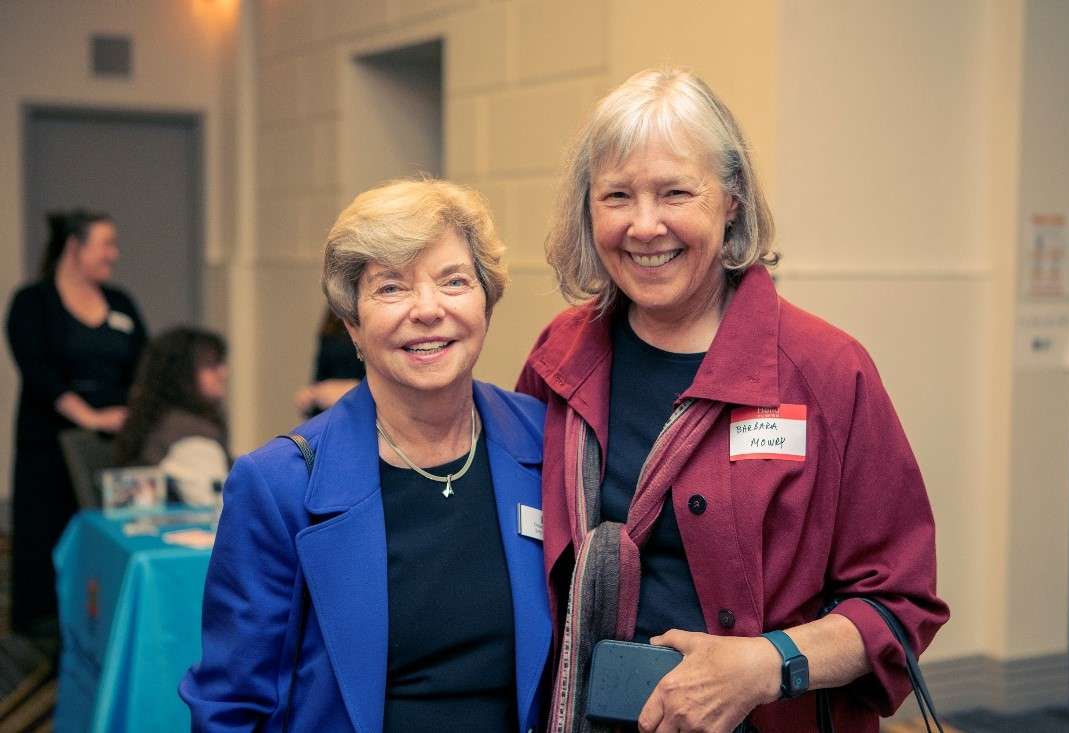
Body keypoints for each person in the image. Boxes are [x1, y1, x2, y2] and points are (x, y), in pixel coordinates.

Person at [517, 68, 950, 733]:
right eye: (617, 195)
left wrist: (764, 664)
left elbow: (899, 601)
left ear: (733, 201)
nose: (644, 224)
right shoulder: (560, 358)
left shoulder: (825, 371)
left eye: (675, 192)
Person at [181, 179, 551, 732]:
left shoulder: (547, 443)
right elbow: (231, 707)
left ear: (486, 303)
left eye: (453, 281)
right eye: (391, 289)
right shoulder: (279, 484)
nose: (428, 310)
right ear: (352, 324)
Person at [4, 209, 147, 638]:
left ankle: (101, 619)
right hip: (51, 441)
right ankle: (42, 632)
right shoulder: (34, 302)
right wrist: (88, 416)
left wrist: (130, 415)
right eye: (106, 244)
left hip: (113, 444)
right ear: (74, 247)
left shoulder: (119, 303)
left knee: (107, 535)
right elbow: (37, 368)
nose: (114, 254)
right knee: (47, 532)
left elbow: (144, 363)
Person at [113, 327, 230, 506]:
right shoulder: (191, 435)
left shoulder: (152, 418)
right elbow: (220, 508)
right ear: (181, 374)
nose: (223, 373)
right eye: (211, 366)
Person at [293, 309, 362, 416]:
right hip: (327, 411)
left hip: (360, 407)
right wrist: (312, 394)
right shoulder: (331, 324)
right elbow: (319, 377)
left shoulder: (367, 317)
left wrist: (348, 390)